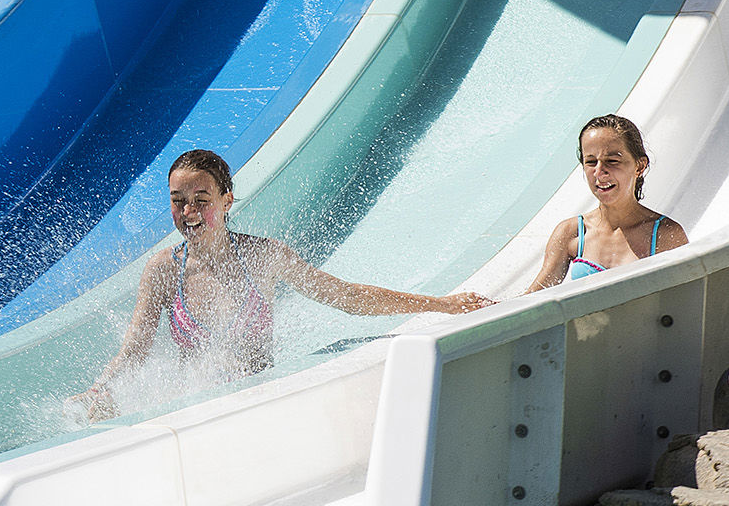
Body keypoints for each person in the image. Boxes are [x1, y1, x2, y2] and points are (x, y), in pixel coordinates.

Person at [74, 150, 485, 417]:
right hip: (198, 412)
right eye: (178, 199)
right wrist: (99, 390)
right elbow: (134, 348)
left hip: (260, 405)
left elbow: (349, 298)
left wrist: (443, 304)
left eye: (202, 198)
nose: (189, 210)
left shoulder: (262, 256)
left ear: (227, 200)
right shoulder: (163, 269)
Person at [514, 112, 690, 294]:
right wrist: (494, 307)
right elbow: (531, 301)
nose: (599, 172)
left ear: (639, 166)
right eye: (590, 162)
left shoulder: (666, 235)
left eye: (612, 161)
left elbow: (687, 300)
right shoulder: (572, 233)